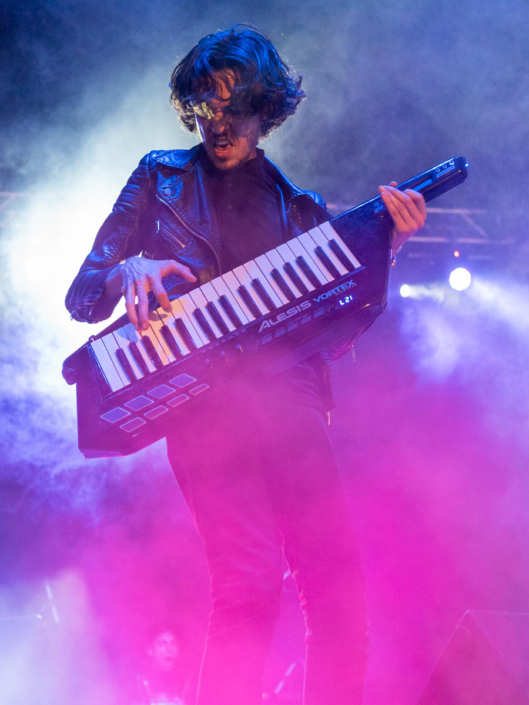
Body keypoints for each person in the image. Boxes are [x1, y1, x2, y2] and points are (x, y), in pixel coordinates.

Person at [66, 25, 426, 705]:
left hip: (291, 408)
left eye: (232, 108)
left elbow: (335, 337)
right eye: (203, 106)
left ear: (266, 109)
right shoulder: (159, 175)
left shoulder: (302, 210)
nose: (215, 122)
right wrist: (128, 269)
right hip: (204, 412)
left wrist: (391, 250)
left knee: (339, 591)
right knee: (248, 582)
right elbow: (83, 293)